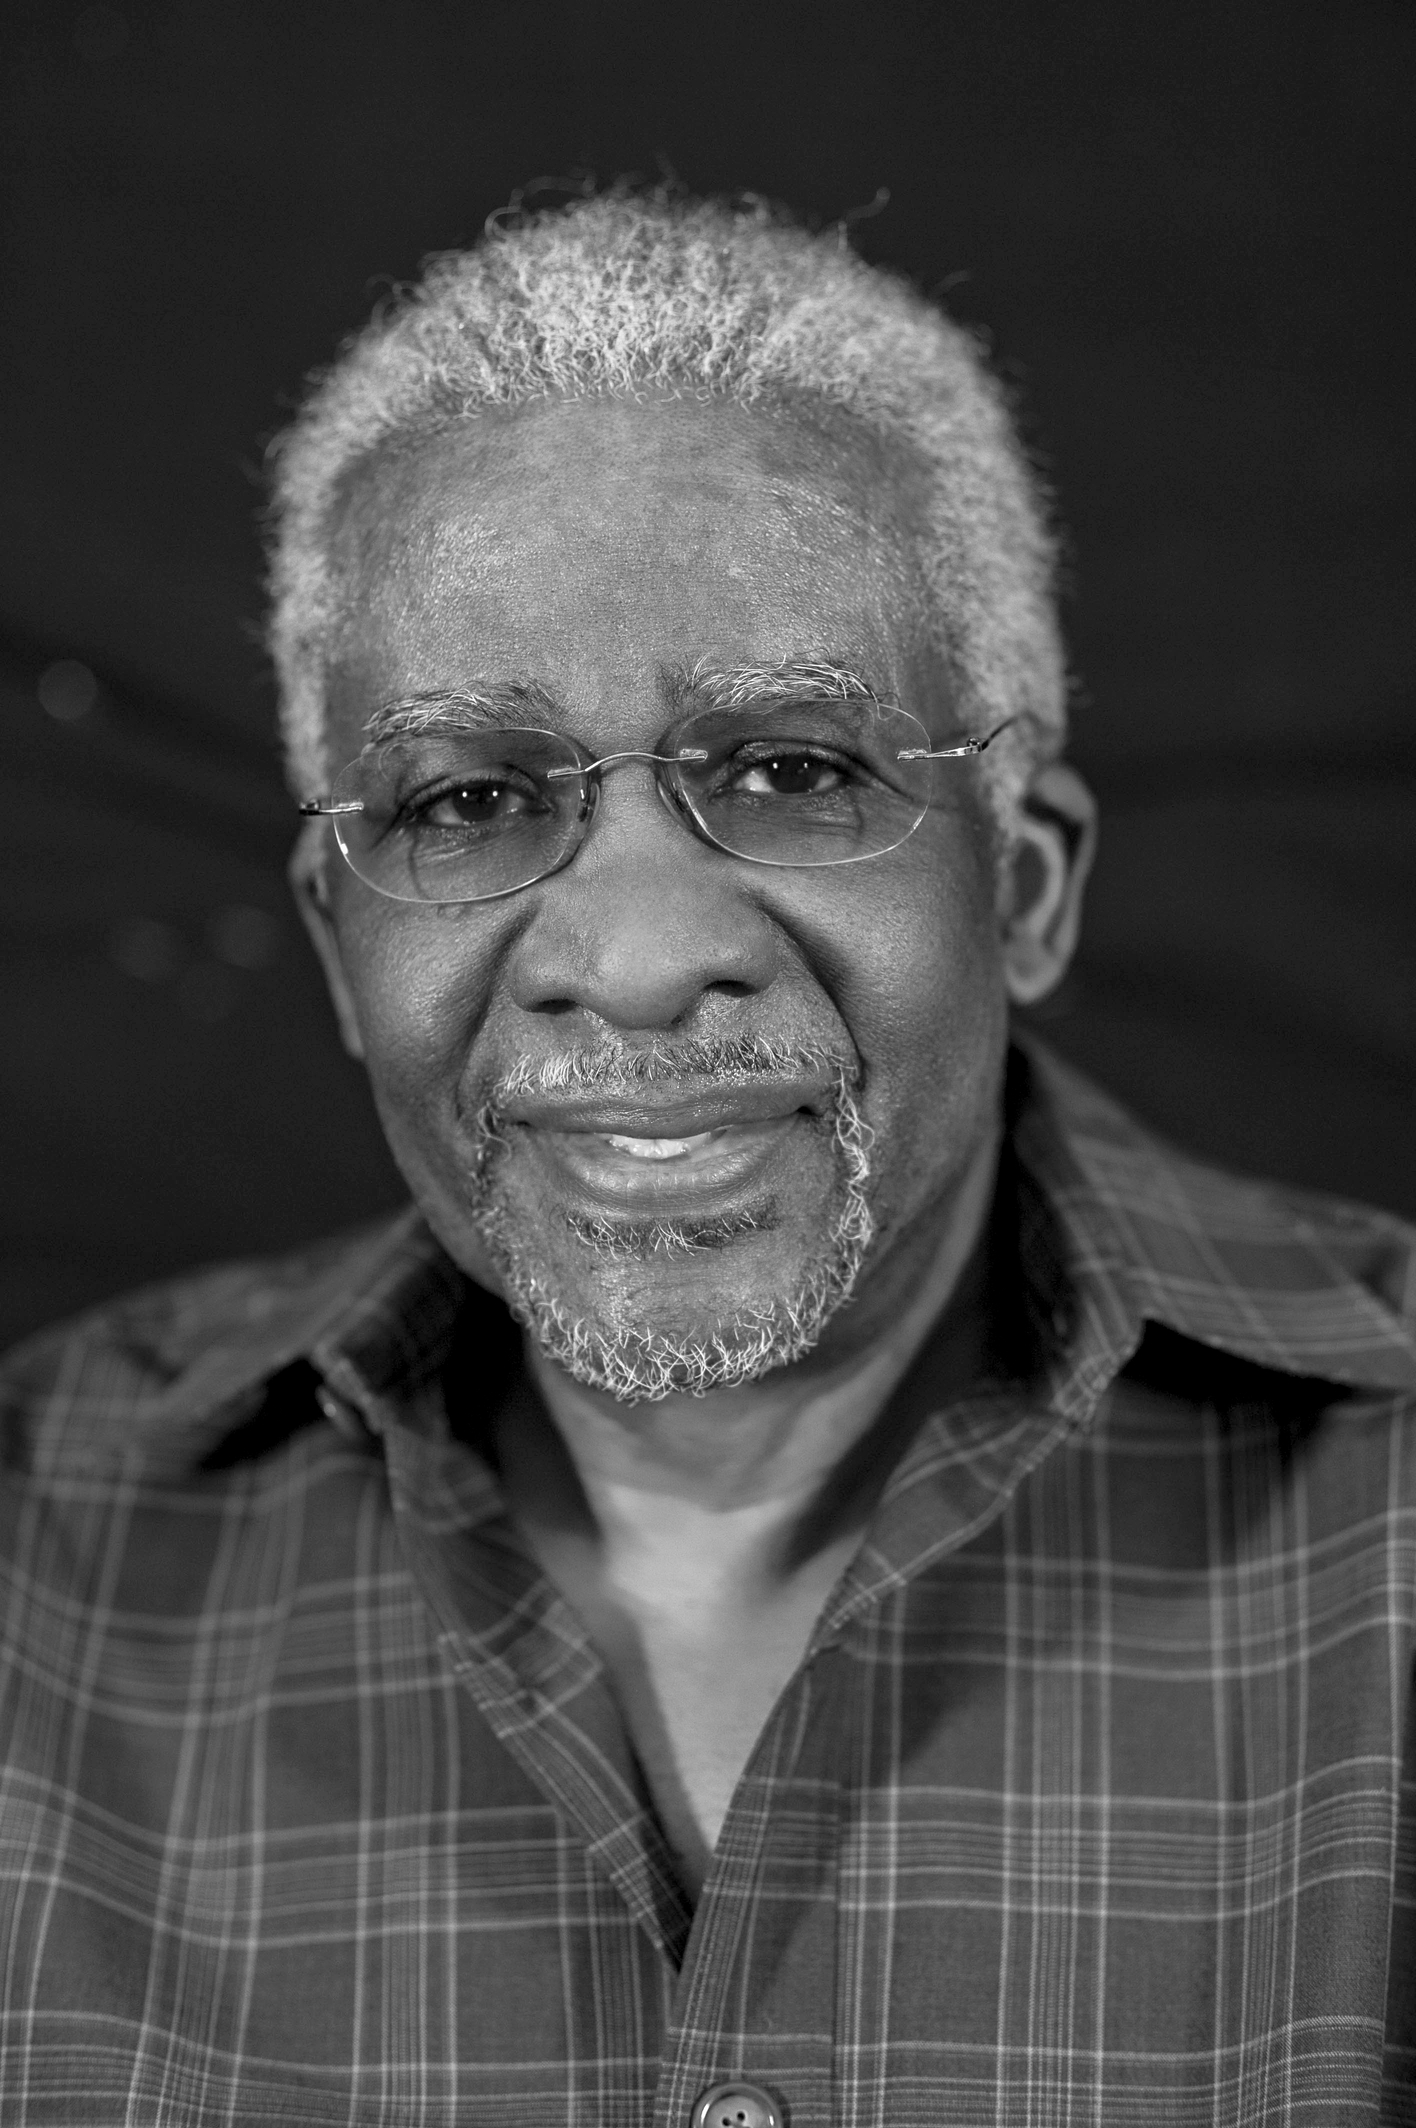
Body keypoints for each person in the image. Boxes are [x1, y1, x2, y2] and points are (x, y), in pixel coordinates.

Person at [1, 189, 1413, 2128]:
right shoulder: (36, 1565)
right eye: (469, 798)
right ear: (337, 947)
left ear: (1022, 888)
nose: (641, 956)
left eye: (793, 769)